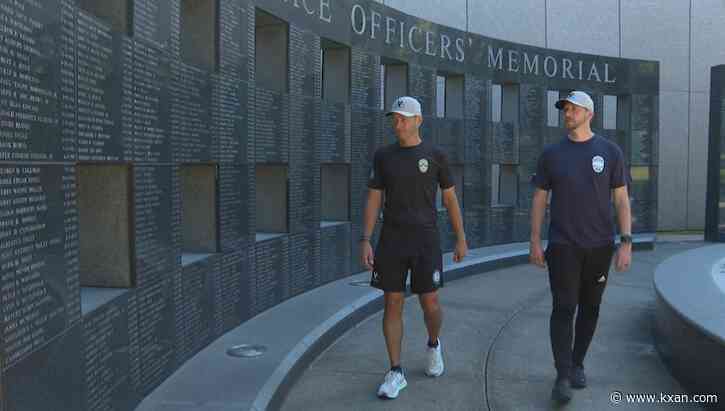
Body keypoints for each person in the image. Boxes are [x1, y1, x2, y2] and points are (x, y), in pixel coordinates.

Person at [360, 96, 468, 400]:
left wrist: (460, 237)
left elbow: (449, 199)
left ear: (418, 120)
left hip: (425, 240)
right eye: (395, 118)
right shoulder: (383, 157)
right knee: (392, 302)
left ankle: (434, 345)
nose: (398, 123)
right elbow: (373, 198)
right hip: (392, 240)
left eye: (404, 118)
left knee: (430, 303)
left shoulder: (435, 155)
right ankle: (395, 371)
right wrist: (366, 238)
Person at [529, 91, 633, 403]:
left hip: (600, 246)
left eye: (573, 109)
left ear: (589, 113)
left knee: (591, 308)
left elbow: (621, 200)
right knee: (563, 308)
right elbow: (539, 199)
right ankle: (562, 375)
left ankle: (577, 364)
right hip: (563, 246)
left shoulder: (610, 152)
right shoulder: (551, 154)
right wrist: (535, 241)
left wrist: (625, 242)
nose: (568, 114)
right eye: (565, 109)